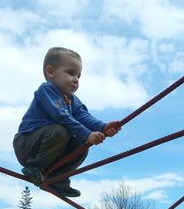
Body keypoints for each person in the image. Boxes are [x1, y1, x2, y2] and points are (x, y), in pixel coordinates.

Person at [13, 47, 121, 198]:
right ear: (50, 72)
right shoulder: (47, 90)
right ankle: (34, 167)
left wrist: (103, 127)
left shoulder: (72, 100)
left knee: (82, 144)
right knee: (61, 131)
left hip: (50, 149)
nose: (76, 79)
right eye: (71, 73)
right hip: (27, 145)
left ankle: (57, 180)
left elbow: (84, 117)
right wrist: (87, 134)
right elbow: (61, 116)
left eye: (78, 75)